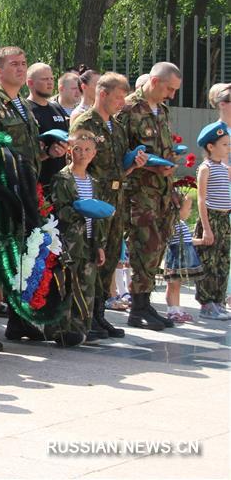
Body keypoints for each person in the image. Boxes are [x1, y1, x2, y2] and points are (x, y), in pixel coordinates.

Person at [0, 46, 65, 343]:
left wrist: (46, 150)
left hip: (28, 189)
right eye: (14, 64)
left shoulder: (22, 105)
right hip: (3, 190)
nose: (20, 68)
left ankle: (20, 319)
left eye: (23, 63)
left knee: (24, 255)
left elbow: (26, 145)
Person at [70, 72, 145, 339]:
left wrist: (132, 165)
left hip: (115, 197)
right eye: (117, 97)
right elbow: (78, 163)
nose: (122, 102)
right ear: (102, 94)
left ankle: (99, 314)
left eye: (124, 97)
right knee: (92, 256)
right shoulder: (86, 122)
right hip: (94, 198)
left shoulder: (115, 125)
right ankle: (85, 316)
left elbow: (115, 167)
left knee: (110, 256)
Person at [115, 62, 182, 331]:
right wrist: (152, 165)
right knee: (144, 246)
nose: (172, 95)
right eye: (169, 88)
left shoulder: (162, 110)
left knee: (157, 247)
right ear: (155, 82)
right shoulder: (129, 109)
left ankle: (144, 302)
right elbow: (121, 152)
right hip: (139, 192)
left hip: (162, 191)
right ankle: (138, 306)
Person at [47, 131, 106, 346]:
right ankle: (62, 329)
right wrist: (81, 210)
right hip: (69, 242)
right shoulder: (62, 179)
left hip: (89, 241)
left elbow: (99, 218)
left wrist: (100, 245)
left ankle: (83, 328)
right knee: (66, 285)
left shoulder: (94, 183)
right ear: (70, 151)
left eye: (87, 149)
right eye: (78, 149)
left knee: (87, 285)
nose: (83, 154)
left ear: (94, 153)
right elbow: (58, 210)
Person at [194, 121, 231, 320]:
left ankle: (218, 300)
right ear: (211, 146)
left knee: (223, 261)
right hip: (211, 218)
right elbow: (201, 199)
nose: (228, 148)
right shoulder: (205, 168)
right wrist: (206, 228)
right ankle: (206, 303)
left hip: (224, 218)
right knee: (209, 262)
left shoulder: (225, 168)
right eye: (224, 144)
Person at [27, 63, 69, 189]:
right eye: (45, 79)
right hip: (38, 184)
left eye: (51, 78)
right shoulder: (25, 110)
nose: (50, 82)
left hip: (60, 183)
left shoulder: (56, 107)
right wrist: (47, 153)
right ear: (30, 83)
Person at [163, 192, 202, 324]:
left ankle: (177, 308)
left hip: (183, 257)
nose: (190, 211)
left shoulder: (181, 224)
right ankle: (172, 310)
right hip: (175, 258)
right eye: (188, 208)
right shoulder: (173, 223)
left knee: (177, 285)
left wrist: (201, 241)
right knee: (172, 284)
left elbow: (187, 241)